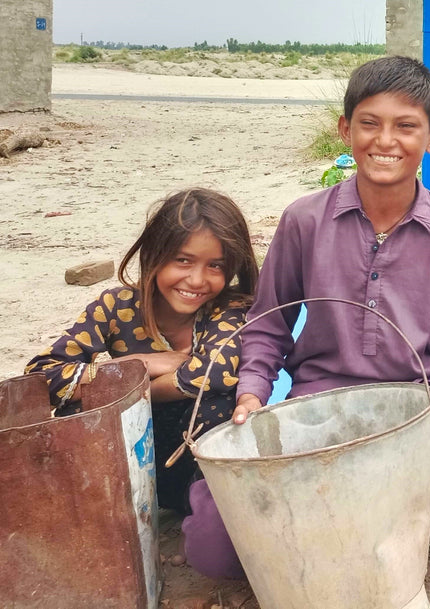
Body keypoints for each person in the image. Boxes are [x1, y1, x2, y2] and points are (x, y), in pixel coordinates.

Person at [183, 55, 430, 580]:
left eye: (406, 127)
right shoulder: (304, 219)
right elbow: (267, 326)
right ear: (345, 129)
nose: (386, 141)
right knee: (214, 548)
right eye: (370, 123)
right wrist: (253, 393)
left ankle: (421, 491)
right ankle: (337, 512)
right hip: (320, 404)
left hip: (420, 406)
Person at [25, 188, 259, 514]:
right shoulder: (116, 307)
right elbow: (40, 378)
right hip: (127, 469)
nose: (196, 279)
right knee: (72, 414)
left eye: (215, 266)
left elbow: (211, 374)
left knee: (218, 405)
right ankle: (110, 516)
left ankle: (206, 520)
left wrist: (113, 392)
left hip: (195, 466)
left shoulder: (230, 308)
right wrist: (142, 363)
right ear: (154, 255)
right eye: (183, 260)